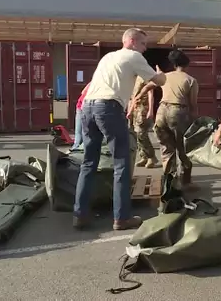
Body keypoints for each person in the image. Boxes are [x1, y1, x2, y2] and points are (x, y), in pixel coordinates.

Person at [73, 28, 166, 231]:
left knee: (89, 163)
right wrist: (161, 74)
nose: (145, 48)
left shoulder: (108, 57)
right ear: (132, 41)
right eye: (143, 43)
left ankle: (80, 214)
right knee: (121, 164)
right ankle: (121, 218)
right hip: (108, 107)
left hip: (87, 108)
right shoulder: (134, 56)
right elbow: (158, 82)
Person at [134, 49, 198, 188]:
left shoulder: (165, 76)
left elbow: (148, 86)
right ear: (187, 65)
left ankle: (170, 184)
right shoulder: (191, 80)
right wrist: (194, 122)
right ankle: (186, 182)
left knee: (167, 149)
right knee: (183, 148)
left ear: (174, 64)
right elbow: (193, 104)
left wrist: (137, 97)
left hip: (162, 112)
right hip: (178, 112)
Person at [127, 76, 159, 168]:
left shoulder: (145, 77)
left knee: (141, 133)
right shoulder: (133, 77)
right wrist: (130, 110)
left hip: (143, 108)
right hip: (134, 107)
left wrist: (150, 110)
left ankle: (151, 156)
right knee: (136, 134)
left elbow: (150, 94)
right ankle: (144, 156)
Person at [70, 82, 91, 151]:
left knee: (80, 132)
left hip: (81, 106)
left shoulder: (92, 83)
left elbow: (83, 92)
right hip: (83, 107)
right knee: (83, 132)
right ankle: (77, 149)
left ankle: (76, 148)